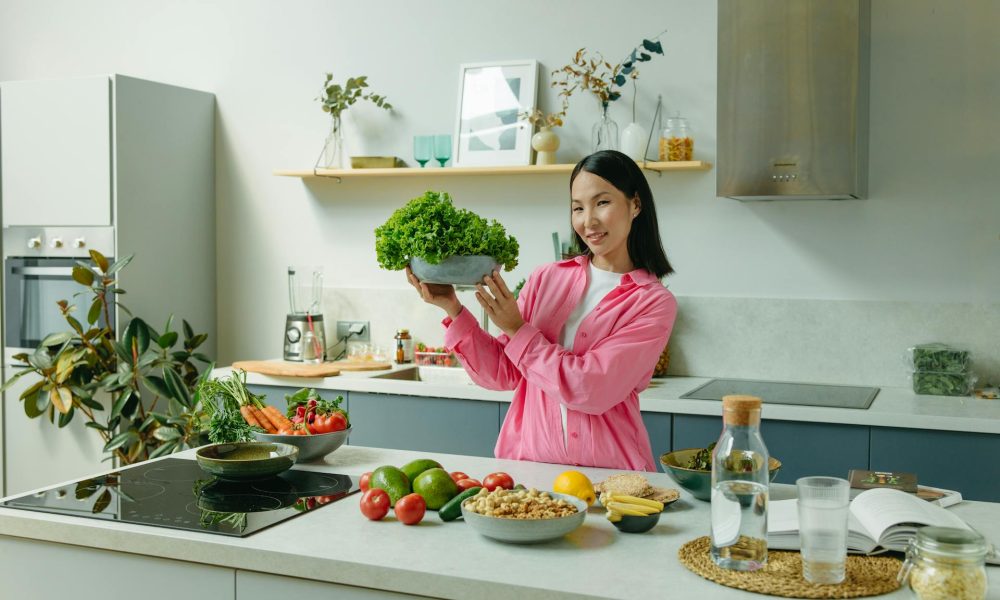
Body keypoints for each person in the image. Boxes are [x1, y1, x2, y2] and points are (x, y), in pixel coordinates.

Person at [405, 150, 677, 471]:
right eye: (577, 208)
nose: (587, 221)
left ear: (635, 204)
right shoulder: (547, 278)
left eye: (602, 203)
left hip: (611, 479)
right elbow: (504, 373)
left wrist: (518, 331)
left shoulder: (652, 302)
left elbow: (590, 388)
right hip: (531, 473)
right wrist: (451, 306)